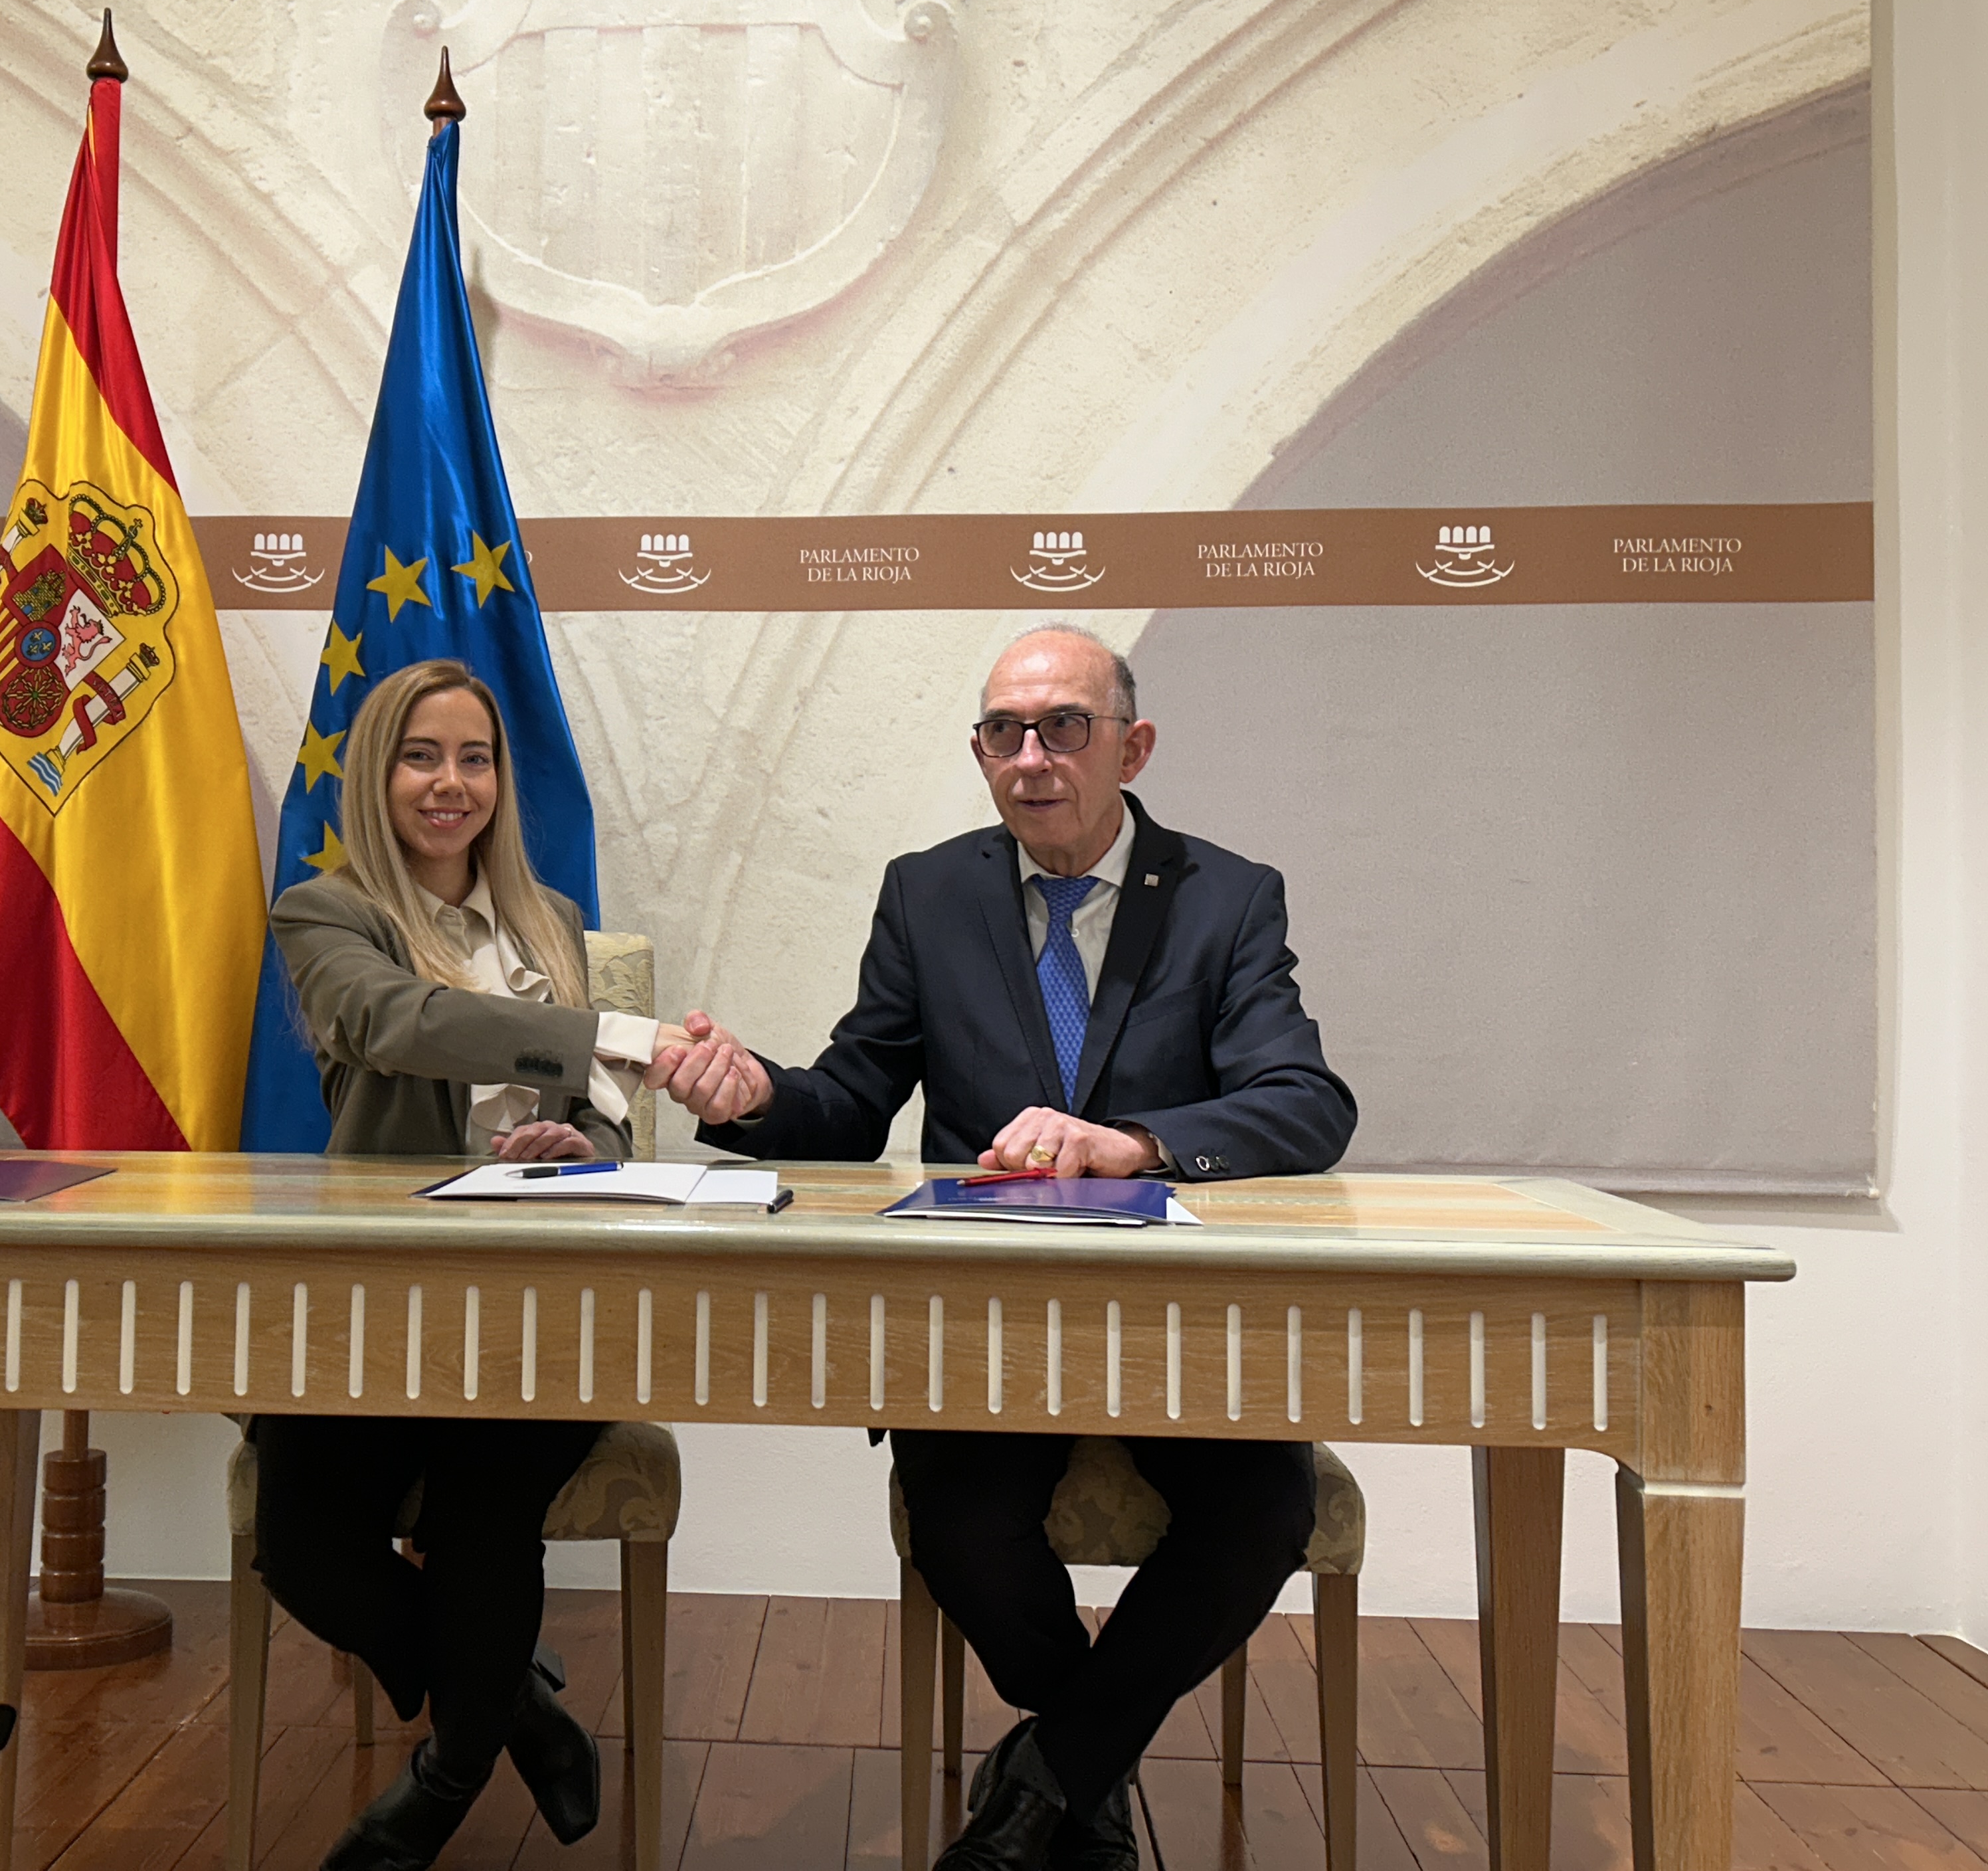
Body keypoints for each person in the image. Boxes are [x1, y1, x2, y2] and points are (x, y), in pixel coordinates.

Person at [650, 626, 1357, 1871]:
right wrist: (752, 1097)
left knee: (1264, 1506)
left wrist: (1130, 1142)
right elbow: (854, 1100)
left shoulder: (1225, 895)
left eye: (1064, 729)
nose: (1032, 760)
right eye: (1003, 734)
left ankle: (1047, 1774)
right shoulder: (931, 892)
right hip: (984, 1326)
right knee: (965, 1527)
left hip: (1177, 1325)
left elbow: (1307, 1104)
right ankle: (1084, 1769)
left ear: (1132, 746)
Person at [260, 658, 701, 1871]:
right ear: (377, 775)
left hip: (547, 1300)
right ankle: (518, 1705)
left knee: (482, 1512)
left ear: (501, 781)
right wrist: (605, 1034)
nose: (450, 784)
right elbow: (399, 1024)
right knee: (298, 1539)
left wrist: (583, 1137)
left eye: (474, 758)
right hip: (382, 1304)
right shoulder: (325, 913)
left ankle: (448, 1781)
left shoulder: (552, 923)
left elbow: (610, 1124)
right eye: (421, 756)